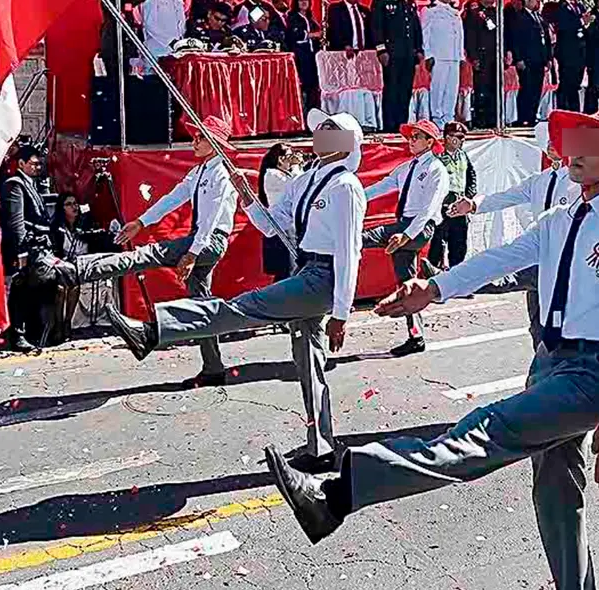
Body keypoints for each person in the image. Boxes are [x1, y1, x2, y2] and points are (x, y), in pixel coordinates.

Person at [263, 109, 599, 590]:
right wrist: (433, 288)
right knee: (557, 492)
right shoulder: (561, 219)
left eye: (591, 144)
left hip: (596, 372)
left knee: (488, 430)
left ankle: (337, 494)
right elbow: (501, 257)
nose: (573, 152)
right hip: (551, 362)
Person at [106, 110, 367, 470]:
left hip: (323, 278)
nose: (321, 134)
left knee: (240, 307)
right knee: (309, 363)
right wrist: (245, 194)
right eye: (321, 129)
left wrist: (342, 313)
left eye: (330, 131)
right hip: (306, 269)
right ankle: (321, 448)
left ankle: (154, 330)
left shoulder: (347, 187)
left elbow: (350, 252)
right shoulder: (306, 181)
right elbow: (270, 224)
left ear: (347, 144)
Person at [55, 117, 239, 388]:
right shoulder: (200, 172)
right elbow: (173, 198)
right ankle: (213, 367)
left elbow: (211, 222)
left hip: (208, 242)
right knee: (201, 305)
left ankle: (79, 270)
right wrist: (141, 222)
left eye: (200, 137)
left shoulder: (222, 174)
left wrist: (192, 254)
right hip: (200, 241)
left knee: (148, 255)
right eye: (195, 136)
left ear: (214, 143)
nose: (194, 141)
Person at [447, 120, 581, 349]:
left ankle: (452, 282)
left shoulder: (577, 180)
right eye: (548, 142)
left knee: (557, 320)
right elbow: (506, 196)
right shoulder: (539, 180)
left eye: (556, 141)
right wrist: (473, 205)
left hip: (564, 261)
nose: (550, 146)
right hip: (540, 253)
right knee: (537, 325)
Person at [362, 120, 448, 356]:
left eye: (417, 136)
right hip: (406, 227)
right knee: (406, 286)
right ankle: (416, 336)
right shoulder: (406, 168)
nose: (411, 140)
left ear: (430, 142)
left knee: (364, 238)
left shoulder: (436, 170)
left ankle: (437, 275)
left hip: (418, 228)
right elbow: (381, 186)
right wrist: (353, 195)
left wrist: (406, 235)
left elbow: (428, 211)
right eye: (411, 136)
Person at [0, 146, 51, 352]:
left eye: (39, 164)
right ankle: (17, 335)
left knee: (30, 292)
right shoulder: (15, 185)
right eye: (34, 164)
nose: (38, 167)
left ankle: (29, 332)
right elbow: (16, 222)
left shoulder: (33, 184)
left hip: (36, 247)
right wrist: (21, 252)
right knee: (19, 293)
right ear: (21, 164)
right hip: (22, 250)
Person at [48, 194, 118, 344]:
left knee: (74, 286)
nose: (74, 207)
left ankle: (68, 322)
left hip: (84, 263)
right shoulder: (56, 228)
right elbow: (55, 252)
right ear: (62, 208)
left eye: (75, 203)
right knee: (60, 288)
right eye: (69, 204)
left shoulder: (86, 223)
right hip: (64, 264)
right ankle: (59, 325)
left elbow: (97, 241)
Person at [429, 122, 477, 270]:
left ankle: (458, 277)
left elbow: (471, 176)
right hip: (443, 203)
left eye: (463, 138)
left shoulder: (463, 155)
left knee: (459, 243)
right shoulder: (437, 155)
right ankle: (433, 277)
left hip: (460, 202)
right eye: (459, 137)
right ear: (448, 138)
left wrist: (469, 195)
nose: (462, 141)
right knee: (438, 242)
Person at [371, 0, 423, 133]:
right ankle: (390, 126)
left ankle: (401, 125)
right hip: (392, 53)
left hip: (408, 53)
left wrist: (418, 49)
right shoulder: (381, 2)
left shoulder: (408, 3)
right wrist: (381, 49)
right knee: (392, 90)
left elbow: (415, 26)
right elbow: (377, 26)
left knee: (405, 91)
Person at [259, 143, 301, 283]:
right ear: (280, 159)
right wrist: (295, 166)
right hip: (280, 227)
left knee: (291, 269)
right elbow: (297, 185)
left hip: (289, 225)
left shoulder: (284, 174)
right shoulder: (272, 174)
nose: (292, 159)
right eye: (289, 156)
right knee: (286, 271)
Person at [422, 0, 465, 129]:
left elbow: (460, 36)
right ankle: (437, 119)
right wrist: (428, 54)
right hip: (439, 55)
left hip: (454, 56)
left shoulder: (455, 13)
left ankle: (448, 117)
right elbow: (425, 33)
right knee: (438, 89)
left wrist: (460, 56)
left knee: (452, 89)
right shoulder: (430, 11)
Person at [511, 0, 552, 127]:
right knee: (527, 89)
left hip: (539, 59)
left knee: (536, 89)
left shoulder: (539, 17)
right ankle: (523, 117)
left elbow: (546, 39)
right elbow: (515, 39)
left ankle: (532, 116)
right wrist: (518, 58)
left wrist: (548, 58)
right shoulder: (519, 17)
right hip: (526, 59)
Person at [463, 0, 500, 129]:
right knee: (482, 89)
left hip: (496, 56)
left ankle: (493, 119)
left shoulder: (496, 12)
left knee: (495, 89)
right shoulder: (473, 11)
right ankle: (481, 119)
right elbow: (470, 36)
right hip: (482, 56)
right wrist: (474, 57)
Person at [549, 0, 588, 113]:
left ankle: (574, 109)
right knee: (566, 82)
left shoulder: (580, 5)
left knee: (576, 82)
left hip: (579, 51)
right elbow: (563, 25)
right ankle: (564, 109)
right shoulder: (562, 7)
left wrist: (586, 22)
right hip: (566, 51)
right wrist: (581, 21)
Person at [286, 0, 323, 109]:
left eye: (306, 0)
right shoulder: (292, 17)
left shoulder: (311, 18)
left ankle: (313, 109)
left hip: (313, 56)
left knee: (313, 85)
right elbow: (294, 35)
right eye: (301, 0)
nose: (304, 2)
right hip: (301, 56)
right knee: (304, 85)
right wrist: (312, 35)